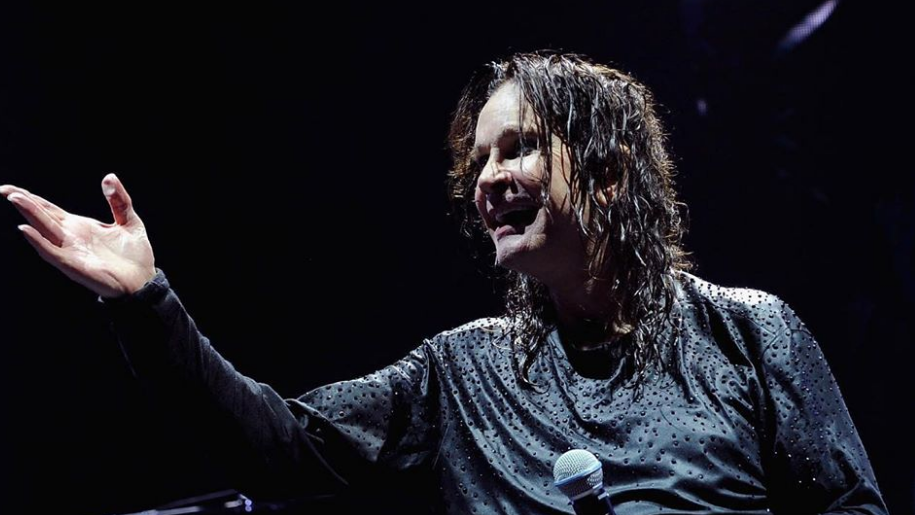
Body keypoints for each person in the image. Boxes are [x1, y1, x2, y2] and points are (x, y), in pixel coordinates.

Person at [0, 51, 888, 514]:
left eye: (519, 148)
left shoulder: (749, 331)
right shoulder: (461, 374)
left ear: (609, 172)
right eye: (479, 159)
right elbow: (278, 447)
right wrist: (146, 301)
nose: (487, 180)